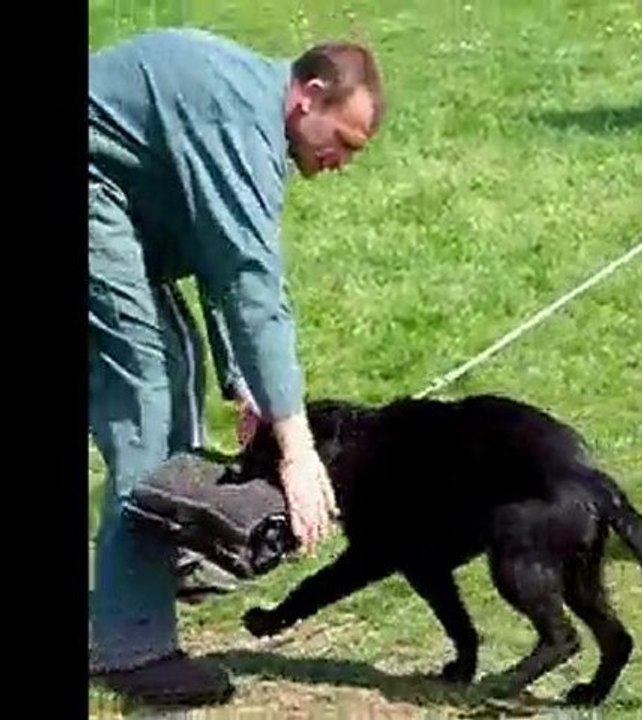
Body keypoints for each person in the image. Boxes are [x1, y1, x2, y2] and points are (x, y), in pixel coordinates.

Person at [88, 27, 385, 705]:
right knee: (149, 389)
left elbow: (218, 253)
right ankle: (130, 645)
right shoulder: (238, 118)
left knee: (171, 366)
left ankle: (163, 554)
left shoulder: (249, 115)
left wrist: (244, 379)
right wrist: (298, 450)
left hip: (114, 208)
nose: (341, 161)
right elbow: (251, 281)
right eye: (342, 142)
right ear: (309, 96)